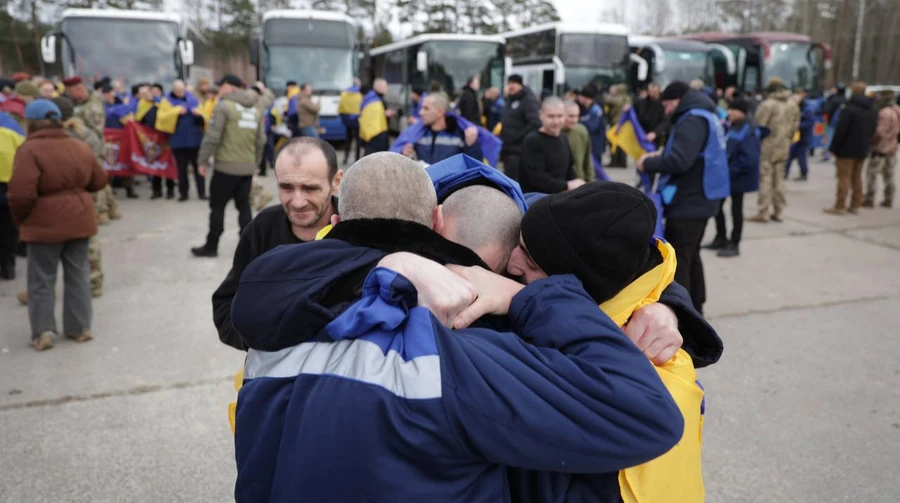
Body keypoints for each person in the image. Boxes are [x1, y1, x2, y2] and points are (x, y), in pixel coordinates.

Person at [230, 152, 683, 502]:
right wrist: (527, 297)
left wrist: (670, 303)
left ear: (334, 222)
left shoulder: (276, 322)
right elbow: (646, 414)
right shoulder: (461, 347)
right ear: (437, 222)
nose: (515, 267)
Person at [504, 182, 706, 503]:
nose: (510, 263)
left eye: (530, 261)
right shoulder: (561, 228)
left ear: (580, 292)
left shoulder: (636, 383)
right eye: (519, 241)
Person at [213, 137, 341, 350]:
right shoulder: (262, 228)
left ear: (336, 182)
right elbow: (225, 307)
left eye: (310, 188)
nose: (298, 202)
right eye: (286, 187)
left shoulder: (357, 231)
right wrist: (264, 346)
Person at [7, 99, 108, 351]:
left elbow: (20, 195)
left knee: (41, 279)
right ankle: (80, 328)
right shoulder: (78, 145)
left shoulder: (29, 150)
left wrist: (22, 221)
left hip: (43, 224)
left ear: (31, 122)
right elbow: (99, 180)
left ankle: (43, 332)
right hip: (79, 220)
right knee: (79, 275)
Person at [637, 81, 730, 314]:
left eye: (667, 105)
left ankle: (685, 313)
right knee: (691, 254)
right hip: (700, 197)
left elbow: (679, 161)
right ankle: (697, 306)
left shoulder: (692, 120)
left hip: (690, 201)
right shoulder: (704, 115)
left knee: (680, 258)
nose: (666, 110)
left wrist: (648, 163)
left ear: (678, 100)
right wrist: (662, 153)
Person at [191, 74, 266, 257]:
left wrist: (202, 160)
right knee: (244, 206)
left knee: (217, 207)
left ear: (230, 87)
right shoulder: (255, 109)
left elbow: (213, 136)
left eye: (221, 85)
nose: (219, 89)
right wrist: (255, 163)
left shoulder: (224, 106)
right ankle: (250, 248)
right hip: (246, 167)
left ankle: (211, 245)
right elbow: (261, 140)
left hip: (225, 168)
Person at [51, 96, 108, 297]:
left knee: (51, 245)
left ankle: (43, 288)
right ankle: (94, 281)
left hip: (60, 197)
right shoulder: (87, 134)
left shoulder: (56, 139)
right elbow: (98, 169)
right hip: (87, 195)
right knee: (89, 240)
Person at [704, 99, 761, 258]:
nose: (729, 112)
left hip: (738, 177)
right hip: (727, 175)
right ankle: (721, 237)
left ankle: (735, 243)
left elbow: (749, 159)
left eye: (733, 109)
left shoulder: (749, 129)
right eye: (729, 109)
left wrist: (728, 170)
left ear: (742, 112)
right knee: (717, 206)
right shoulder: (732, 126)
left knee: (736, 209)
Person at [748, 78, 799, 223]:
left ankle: (763, 211)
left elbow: (759, 125)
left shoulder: (768, 105)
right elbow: (795, 126)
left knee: (765, 178)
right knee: (780, 178)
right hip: (784, 145)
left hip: (768, 145)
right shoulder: (793, 104)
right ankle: (779, 211)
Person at [825, 82, 877, 215]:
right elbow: (873, 130)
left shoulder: (849, 109)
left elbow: (840, 131)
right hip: (862, 148)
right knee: (857, 177)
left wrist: (833, 148)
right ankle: (855, 204)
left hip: (846, 149)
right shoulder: (872, 109)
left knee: (844, 177)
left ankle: (840, 205)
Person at [519, 97, 584, 194]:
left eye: (560, 116)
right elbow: (536, 178)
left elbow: (569, 168)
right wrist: (567, 185)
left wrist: (578, 184)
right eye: (551, 116)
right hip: (536, 198)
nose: (556, 121)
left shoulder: (563, 138)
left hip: (559, 196)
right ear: (541, 115)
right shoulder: (532, 141)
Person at [396, 93, 482, 164]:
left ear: (440, 112)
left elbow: (473, 166)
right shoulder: (418, 134)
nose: (421, 112)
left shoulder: (460, 135)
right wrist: (405, 154)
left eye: (426, 108)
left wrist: (471, 146)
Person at [167, 79, 206, 201]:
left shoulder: (194, 100)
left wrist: (198, 115)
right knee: (181, 169)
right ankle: (183, 193)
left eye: (182, 90)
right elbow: (163, 119)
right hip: (178, 141)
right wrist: (175, 112)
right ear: (173, 90)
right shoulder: (167, 101)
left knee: (198, 167)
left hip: (195, 140)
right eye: (178, 90)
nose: (180, 92)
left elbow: (204, 119)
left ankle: (202, 192)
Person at [500, 74, 541, 182]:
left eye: (513, 83)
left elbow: (535, 123)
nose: (510, 86)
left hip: (519, 151)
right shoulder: (510, 99)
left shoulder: (528, 100)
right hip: (508, 149)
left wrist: (516, 136)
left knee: (515, 181)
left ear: (520, 85)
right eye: (509, 83)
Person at [863, 90, 899, 209]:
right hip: (892, 147)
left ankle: (869, 198)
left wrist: (871, 141)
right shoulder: (897, 110)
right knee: (889, 174)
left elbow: (880, 132)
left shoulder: (884, 113)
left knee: (872, 173)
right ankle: (889, 198)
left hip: (880, 148)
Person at [0, 109, 25, 280]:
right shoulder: (10, 123)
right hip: (8, 183)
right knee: (8, 225)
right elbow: (24, 149)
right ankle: (8, 265)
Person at [358, 78, 395, 156]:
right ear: (379, 87)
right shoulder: (375, 100)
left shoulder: (371, 98)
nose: (387, 88)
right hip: (376, 136)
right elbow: (372, 116)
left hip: (373, 135)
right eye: (385, 86)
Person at [784, 88, 815, 181]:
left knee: (801, 155)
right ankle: (785, 173)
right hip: (794, 135)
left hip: (803, 136)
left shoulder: (807, 109)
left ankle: (803, 173)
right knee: (790, 154)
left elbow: (809, 123)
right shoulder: (792, 108)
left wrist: (796, 126)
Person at [563, 100, 594, 182]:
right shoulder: (555, 133)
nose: (574, 120)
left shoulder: (581, 131)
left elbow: (588, 160)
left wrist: (590, 181)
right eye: (571, 116)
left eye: (577, 116)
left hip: (580, 180)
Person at [575, 85, 607, 164]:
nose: (578, 98)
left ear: (586, 98)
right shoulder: (582, 108)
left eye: (581, 96)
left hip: (595, 146)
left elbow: (591, 127)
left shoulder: (596, 110)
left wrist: (578, 125)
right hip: (586, 144)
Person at [605, 83, 632, 167]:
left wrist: (610, 93)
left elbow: (607, 99)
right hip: (624, 124)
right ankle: (622, 161)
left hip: (616, 123)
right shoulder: (627, 99)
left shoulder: (618, 98)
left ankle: (614, 161)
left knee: (614, 143)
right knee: (622, 143)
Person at [635, 82, 668, 148]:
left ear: (658, 90)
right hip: (641, 134)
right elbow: (634, 111)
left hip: (655, 137)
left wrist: (655, 133)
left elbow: (665, 121)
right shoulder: (641, 102)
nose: (651, 93)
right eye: (650, 90)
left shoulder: (663, 104)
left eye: (654, 91)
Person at [338, 79, 363, 164]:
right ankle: (357, 159)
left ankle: (345, 158)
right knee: (358, 140)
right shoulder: (360, 94)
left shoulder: (344, 93)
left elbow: (340, 107)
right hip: (357, 120)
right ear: (358, 85)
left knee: (348, 139)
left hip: (347, 120)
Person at [822, 85, 847, 162]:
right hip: (843, 123)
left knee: (829, 138)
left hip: (832, 123)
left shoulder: (834, 100)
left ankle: (826, 154)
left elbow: (827, 109)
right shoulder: (846, 100)